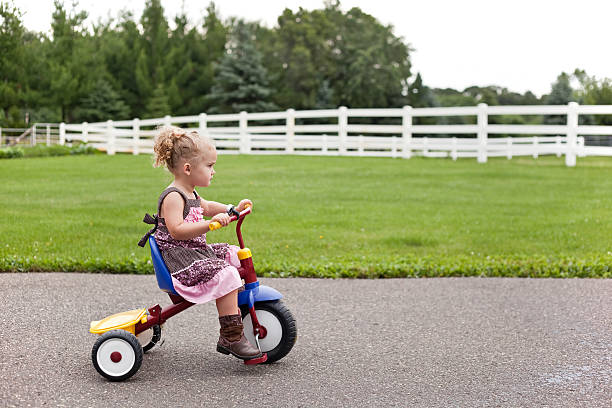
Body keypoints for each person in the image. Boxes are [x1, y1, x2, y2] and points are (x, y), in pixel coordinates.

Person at [138, 125, 261, 360]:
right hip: (181, 262)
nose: (213, 171)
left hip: (196, 253)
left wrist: (231, 209)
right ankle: (231, 335)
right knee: (227, 274)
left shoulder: (191, 192)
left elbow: (206, 207)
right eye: (210, 166)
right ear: (187, 168)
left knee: (235, 254)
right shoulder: (174, 196)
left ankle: (235, 309)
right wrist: (209, 224)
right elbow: (177, 231)